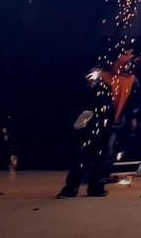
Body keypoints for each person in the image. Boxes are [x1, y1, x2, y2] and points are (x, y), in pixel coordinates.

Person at [56, 67, 115, 198]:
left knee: (102, 157)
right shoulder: (87, 90)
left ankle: (96, 187)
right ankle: (73, 187)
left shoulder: (106, 88)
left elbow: (109, 107)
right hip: (89, 125)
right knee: (83, 155)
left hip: (103, 125)